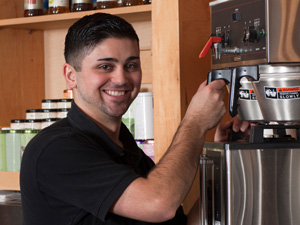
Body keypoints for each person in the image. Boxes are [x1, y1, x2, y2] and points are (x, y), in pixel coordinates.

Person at [20, 12, 248, 225]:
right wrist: (196, 121)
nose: (121, 79)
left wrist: (225, 157)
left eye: (131, 65)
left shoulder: (126, 149)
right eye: (105, 66)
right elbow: (159, 205)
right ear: (71, 76)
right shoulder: (56, 150)